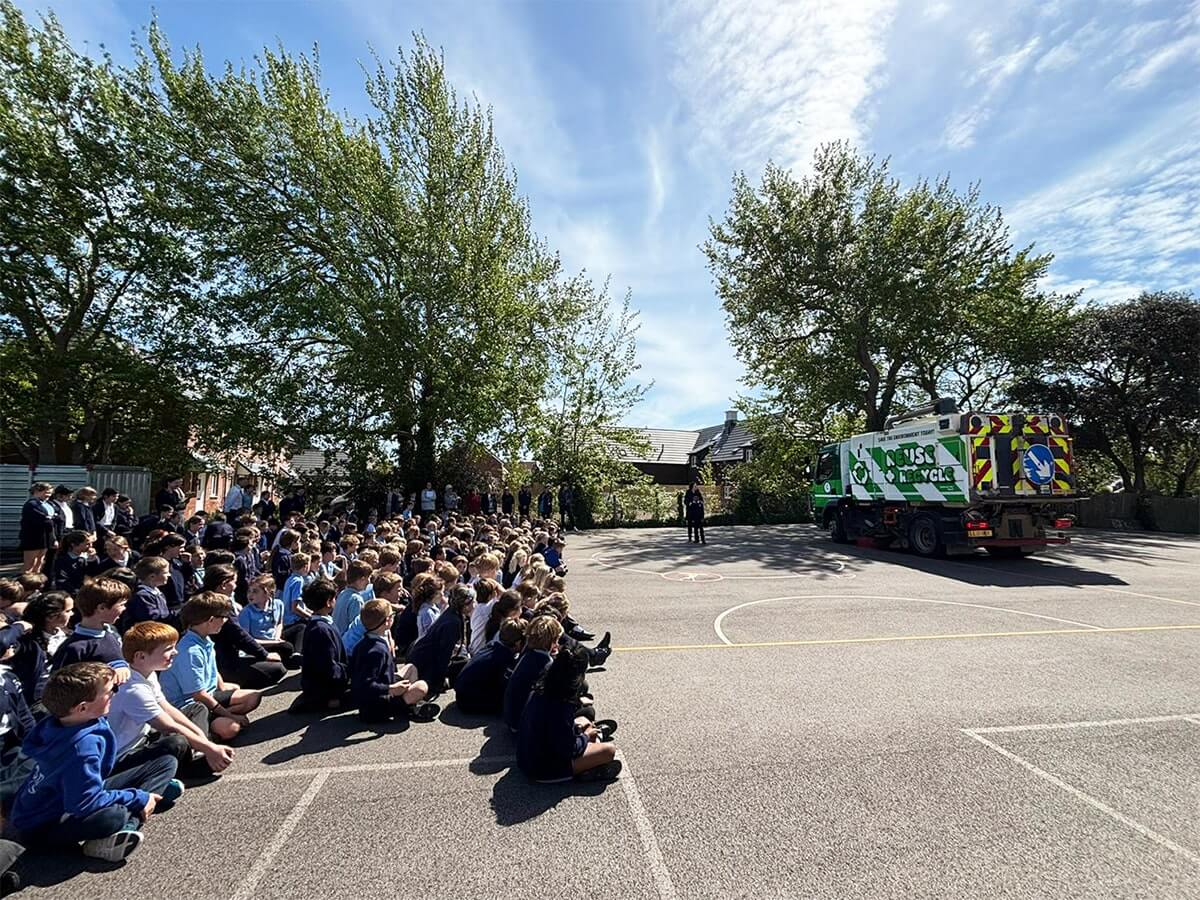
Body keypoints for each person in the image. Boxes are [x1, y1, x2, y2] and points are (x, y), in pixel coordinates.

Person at [6, 662, 182, 862]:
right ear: (82, 707)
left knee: (165, 762)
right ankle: (126, 826)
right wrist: (137, 797)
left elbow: (99, 677)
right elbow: (83, 803)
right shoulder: (81, 748)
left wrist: (117, 666)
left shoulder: (66, 719)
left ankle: (151, 793)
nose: (116, 692)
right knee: (114, 816)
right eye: (111, 691)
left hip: (73, 793)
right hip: (45, 824)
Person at [109, 622, 236, 776]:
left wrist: (205, 743)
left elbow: (167, 708)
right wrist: (210, 749)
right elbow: (169, 726)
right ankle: (179, 769)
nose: (175, 652)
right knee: (177, 742)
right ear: (141, 656)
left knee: (196, 708)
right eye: (168, 649)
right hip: (126, 754)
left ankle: (196, 753)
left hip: (145, 735)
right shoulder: (134, 690)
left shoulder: (148, 672)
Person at [160, 592, 261, 741]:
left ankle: (214, 720)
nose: (225, 621)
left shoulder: (203, 638)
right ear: (211, 620)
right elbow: (198, 695)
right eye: (223, 617)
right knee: (231, 728)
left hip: (208, 696)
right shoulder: (190, 651)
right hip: (188, 706)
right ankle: (203, 729)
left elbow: (212, 668)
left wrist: (221, 685)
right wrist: (230, 715)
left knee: (253, 697)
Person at [517, 643, 620, 783]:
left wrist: (578, 730)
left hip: (527, 756)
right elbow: (569, 749)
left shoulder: (541, 688)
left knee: (583, 720)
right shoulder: (561, 705)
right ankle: (587, 763)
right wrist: (585, 736)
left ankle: (595, 739)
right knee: (609, 751)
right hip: (541, 769)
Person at [350, 600, 436, 722]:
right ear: (387, 621)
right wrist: (391, 688)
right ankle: (406, 708)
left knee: (411, 668)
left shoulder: (366, 642)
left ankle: (410, 703)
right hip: (376, 705)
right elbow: (365, 684)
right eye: (392, 615)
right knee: (421, 687)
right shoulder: (375, 651)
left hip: (384, 684)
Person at [50, 578, 132, 683]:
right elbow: (60, 685)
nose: (124, 608)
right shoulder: (74, 648)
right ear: (102, 608)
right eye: (121, 605)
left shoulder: (111, 633)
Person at [406, 584, 474, 696]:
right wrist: (439, 680)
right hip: (424, 662)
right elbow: (444, 654)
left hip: (421, 655)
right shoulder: (452, 623)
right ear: (465, 605)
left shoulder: (452, 613)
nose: (474, 605)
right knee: (465, 664)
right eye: (472, 602)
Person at [294, 579, 348, 712]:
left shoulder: (322, 623)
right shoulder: (320, 630)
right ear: (329, 602)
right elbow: (327, 666)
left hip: (330, 679)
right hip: (326, 688)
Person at [454, 618, 526, 716]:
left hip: (461, 695)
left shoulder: (492, 645)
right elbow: (508, 687)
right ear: (518, 642)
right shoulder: (504, 658)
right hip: (470, 703)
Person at [503, 615, 561, 733]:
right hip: (523, 723)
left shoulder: (527, 656)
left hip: (511, 718)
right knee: (585, 711)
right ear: (552, 641)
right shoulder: (546, 664)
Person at [123, 556, 173, 629]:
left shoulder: (157, 592)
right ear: (152, 576)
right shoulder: (142, 596)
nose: (169, 575)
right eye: (165, 572)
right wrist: (176, 614)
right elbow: (152, 619)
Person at [18, 482, 56, 576]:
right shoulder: (31, 504)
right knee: (30, 564)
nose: (49, 495)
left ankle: (34, 585)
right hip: (33, 538)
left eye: (50, 492)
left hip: (46, 537)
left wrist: (54, 538)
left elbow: (56, 518)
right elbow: (43, 519)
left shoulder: (48, 504)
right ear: (36, 491)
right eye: (46, 492)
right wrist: (51, 519)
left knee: (40, 562)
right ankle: (23, 586)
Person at [51, 530, 92, 595]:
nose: (90, 546)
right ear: (74, 545)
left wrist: (93, 560)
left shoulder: (89, 557)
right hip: (71, 591)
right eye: (87, 544)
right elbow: (61, 578)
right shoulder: (63, 560)